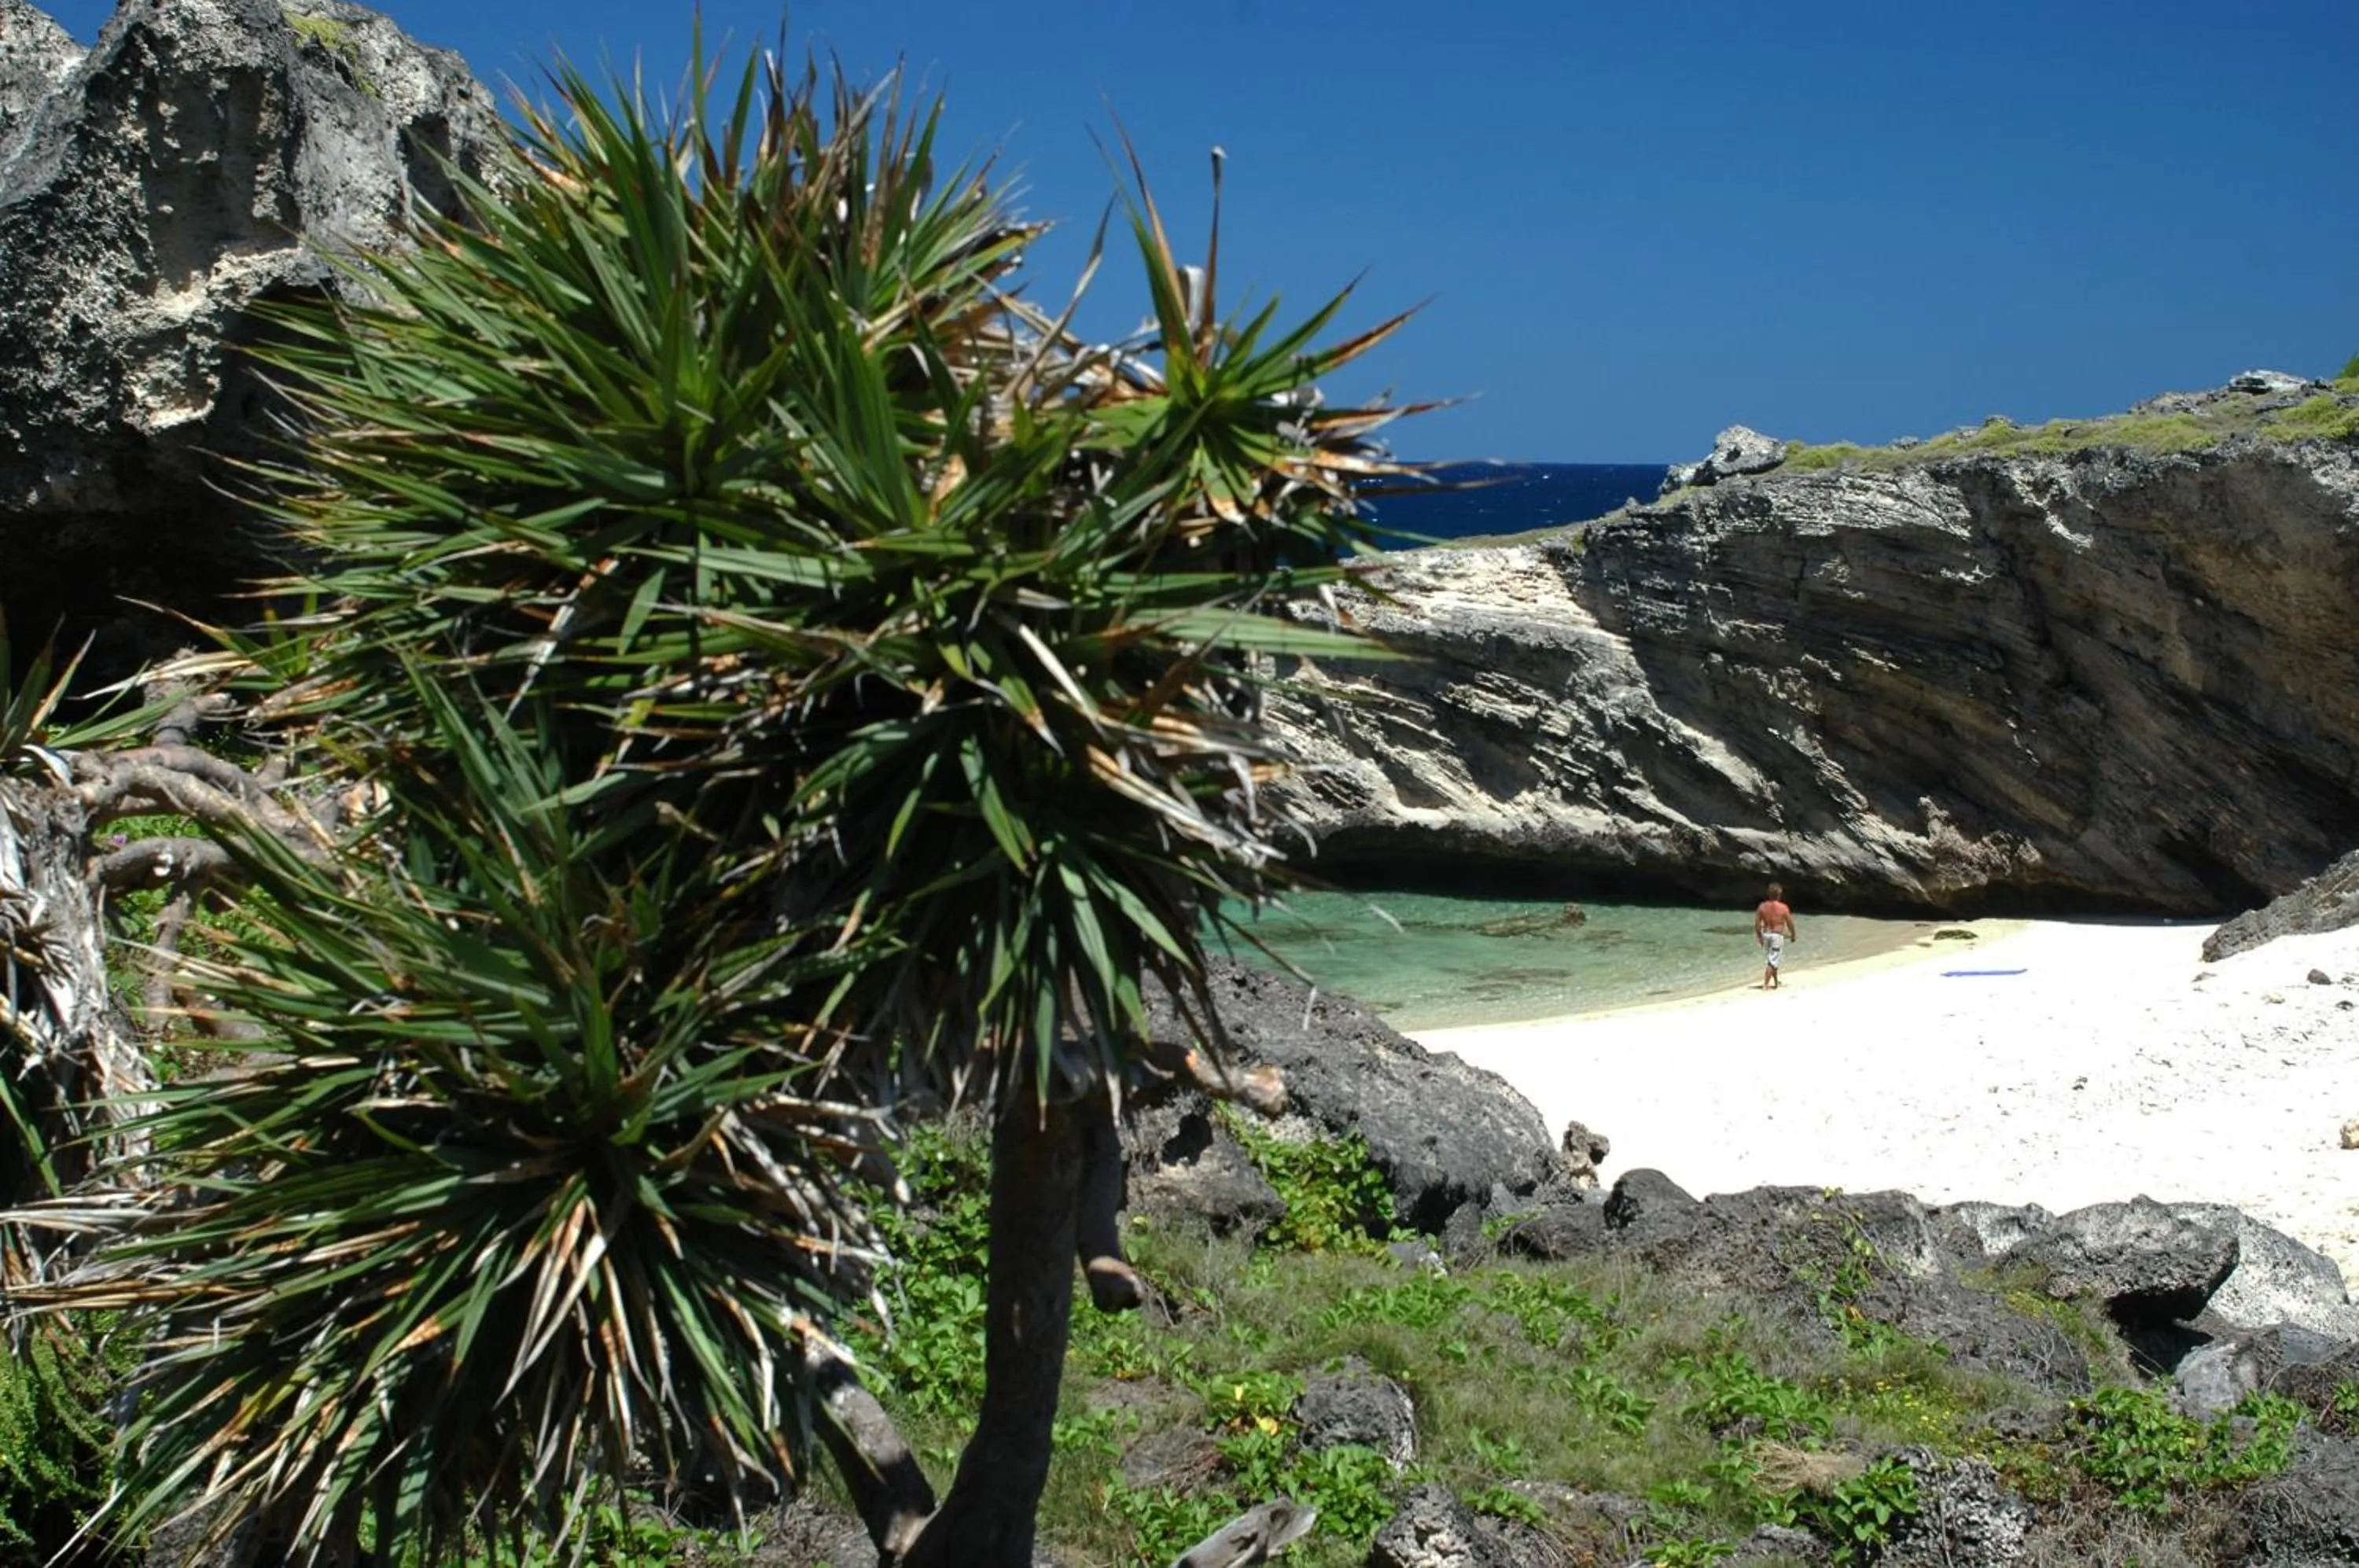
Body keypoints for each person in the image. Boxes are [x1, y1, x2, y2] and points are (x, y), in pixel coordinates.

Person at [1754, 882, 1798, 990]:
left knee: (1773, 959)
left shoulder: (1762, 907)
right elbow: (1790, 923)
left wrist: (1760, 937)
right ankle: (1766, 984)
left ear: (1769, 894)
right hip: (1777, 936)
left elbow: (1757, 924)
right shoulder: (1783, 908)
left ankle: (1776, 982)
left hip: (1766, 935)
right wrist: (1793, 935)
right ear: (1779, 894)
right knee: (1773, 960)